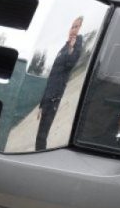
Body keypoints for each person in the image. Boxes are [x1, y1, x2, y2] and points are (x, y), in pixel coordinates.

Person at [35, 17, 84, 150]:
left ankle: (40, 162)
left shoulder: (77, 46)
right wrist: (41, 104)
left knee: (42, 136)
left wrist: (72, 48)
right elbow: (51, 77)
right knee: (39, 136)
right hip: (47, 98)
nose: (73, 30)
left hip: (54, 99)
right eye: (72, 26)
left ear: (81, 29)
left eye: (77, 27)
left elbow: (70, 63)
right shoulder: (64, 47)